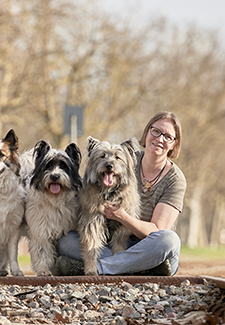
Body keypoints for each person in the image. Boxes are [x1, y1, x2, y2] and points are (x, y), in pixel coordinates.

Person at [56, 111, 187, 276]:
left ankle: (98, 268)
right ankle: (138, 268)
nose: (160, 139)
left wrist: (122, 216)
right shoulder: (125, 157)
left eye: (168, 137)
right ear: (147, 132)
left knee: (168, 240)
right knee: (66, 242)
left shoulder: (175, 179)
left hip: (146, 246)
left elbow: (157, 230)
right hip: (108, 246)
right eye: (156, 131)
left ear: (175, 144)